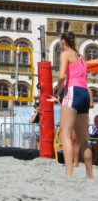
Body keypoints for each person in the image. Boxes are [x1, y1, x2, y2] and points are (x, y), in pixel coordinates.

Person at [48, 31, 94, 178]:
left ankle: (69, 173)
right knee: (83, 139)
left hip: (73, 91)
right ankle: (90, 175)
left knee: (66, 135)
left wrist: (60, 93)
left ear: (62, 42)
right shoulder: (81, 57)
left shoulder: (65, 54)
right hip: (85, 93)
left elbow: (61, 76)